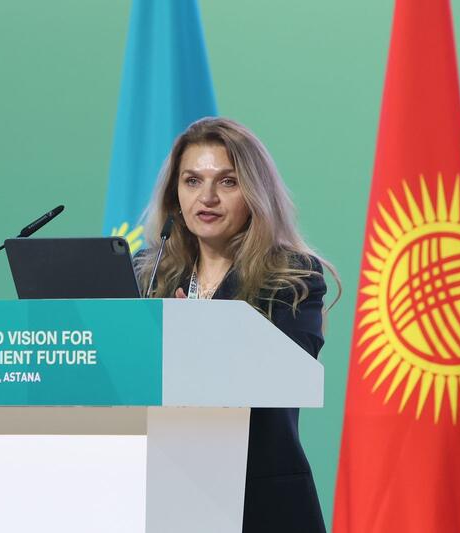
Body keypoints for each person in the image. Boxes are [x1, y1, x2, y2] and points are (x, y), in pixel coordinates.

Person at [134, 117, 340, 533]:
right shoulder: (148, 274)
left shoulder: (293, 276)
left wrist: (202, 334)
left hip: (260, 501)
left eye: (227, 182)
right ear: (175, 194)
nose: (207, 197)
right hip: (165, 496)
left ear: (254, 193)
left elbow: (288, 371)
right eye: (192, 181)